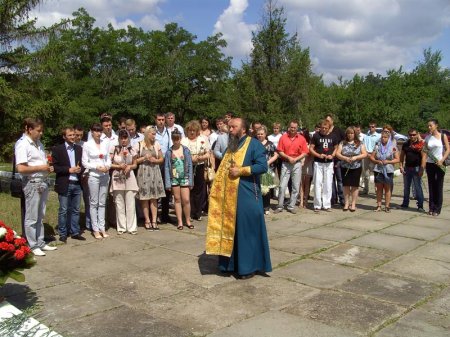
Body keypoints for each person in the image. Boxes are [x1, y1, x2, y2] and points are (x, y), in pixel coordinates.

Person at [206, 117, 272, 279]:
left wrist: (242, 170)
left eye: (233, 127)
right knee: (232, 229)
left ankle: (248, 267)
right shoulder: (232, 145)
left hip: (247, 194)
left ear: (243, 129)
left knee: (246, 231)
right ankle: (230, 265)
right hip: (229, 197)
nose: (230, 130)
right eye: (229, 127)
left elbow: (262, 166)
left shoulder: (254, 144)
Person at [15, 118, 58, 256]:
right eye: (38, 130)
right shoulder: (23, 144)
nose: (41, 133)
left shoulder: (38, 143)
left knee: (40, 215)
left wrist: (47, 168)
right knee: (32, 216)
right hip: (32, 183)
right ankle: (31, 244)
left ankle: (40, 242)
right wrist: (42, 167)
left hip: (43, 181)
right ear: (29, 129)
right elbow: (21, 168)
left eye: (41, 130)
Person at [52, 127, 85, 243]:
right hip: (65, 182)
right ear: (64, 137)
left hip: (77, 183)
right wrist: (69, 170)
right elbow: (55, 167)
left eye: (74, 135)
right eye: (70, 135)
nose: (73, 137)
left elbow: (83, 164)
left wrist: (80, 169)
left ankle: (75, 231)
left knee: (76, 209)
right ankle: (63, 233)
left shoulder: (79, 149)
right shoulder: (57, 150)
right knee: (64, 210)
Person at [82, 123, 112, 239]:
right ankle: (95, 229)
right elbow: (85, 162)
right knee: (93, 202)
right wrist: (96, 167)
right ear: (91, 132)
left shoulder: (105, 143)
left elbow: (108, 158)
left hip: (104, 174)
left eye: (100, 131)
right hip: (94, 175)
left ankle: (102, 227)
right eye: (96, 131)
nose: (98, 133)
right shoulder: (87, 145)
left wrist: (107, 167)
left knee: (102, 202)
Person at [274, 120, 309, 214]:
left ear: (297, 128)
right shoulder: (283, 137)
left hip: (297, 163)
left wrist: (297, 158)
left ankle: (291, 206)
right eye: (291, 127)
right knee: (282, 186)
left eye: (294, 127)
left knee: (295, 186)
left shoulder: (301, 138)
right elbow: (280, 151)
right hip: (286, 163)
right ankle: (280, 206)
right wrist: (288, 157)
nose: (293, 129)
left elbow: (305, 152)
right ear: (289, 127)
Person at [135, 126, 166, 230]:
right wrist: (144, 158)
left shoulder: (156, 144)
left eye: (155, 134)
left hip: (154, 172)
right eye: (152, 134)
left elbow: (161, 158)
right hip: (143, 173)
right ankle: (147, 220)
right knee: (145, 198)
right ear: (147, 134)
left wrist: (154, 160)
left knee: (154, 198)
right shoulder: (139, 144)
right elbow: (134, 161)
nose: (154, 136)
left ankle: (154, 220)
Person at [110, 130, 139, 234]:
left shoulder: (132, 149)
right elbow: (109, 163)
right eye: (121, 138)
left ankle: (131, 227)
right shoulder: (114, 149)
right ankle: (121, 227)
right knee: (119, 203)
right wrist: (119, 166)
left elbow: (135, 164)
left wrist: (130, 167)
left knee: (130, 203)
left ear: (128, 139)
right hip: (117, 177)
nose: (123, 140)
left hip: (129, 177)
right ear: (119, 139)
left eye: (125, 138)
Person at [164, 129, 194, 230]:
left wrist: (191, 181)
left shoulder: (185, 150)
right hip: (174, 178)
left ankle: (188, 220)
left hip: (184, 177)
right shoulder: (169, 152)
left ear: (180, 139)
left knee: (186, 199)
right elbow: (167, 167)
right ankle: (180, 222)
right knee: (177, 199)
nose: (176, 141)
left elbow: (190, 165)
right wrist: (168, 183)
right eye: (174, 139)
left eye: (177, 139)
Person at [181, 120, 211, 221]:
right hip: (186, 167)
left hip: (199, 166)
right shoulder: (183, 141)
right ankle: (189, 212)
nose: (192, 132)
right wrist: (189, 158)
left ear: (197, 131)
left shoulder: (203, 139)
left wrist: (200, 158)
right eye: (190, 130)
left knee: (199, 189)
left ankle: (198, 212)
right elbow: (179, 154)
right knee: (189, 189)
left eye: (194, 130)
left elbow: (208, 153)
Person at [422, 119, 449, 216]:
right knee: (431, 185)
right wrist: (423, 165)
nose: (429, 127)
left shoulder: (442, 136)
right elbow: (424, 150)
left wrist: (442, 160)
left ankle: (437, 208)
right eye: (428, 126)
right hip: (430, 164)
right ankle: (431, 207)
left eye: (431, 125)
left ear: (436, 126)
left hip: (440, 164)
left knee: (438, 185)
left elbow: (448, 149)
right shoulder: (428, 138)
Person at [335, 127, 367, 212]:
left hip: (356, 167)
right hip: (345, 166)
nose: (350, 135)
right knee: (345, 185)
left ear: (355, 134)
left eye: (352, 133)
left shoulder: (359, 143)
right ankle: (346, 203)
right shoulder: (342, 142)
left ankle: (353, 204)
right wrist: (344, 158)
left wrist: (356, 157)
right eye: (348, 133)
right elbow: (337, 153)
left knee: (354, 186)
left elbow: (364, 154)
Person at [309, 120, 338, 213]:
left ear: (329, 128)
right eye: (323, 128)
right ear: (320, 127)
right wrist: (318, 155)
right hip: (318, 162)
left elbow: (336, 147)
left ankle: (326, 205)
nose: (324, 130)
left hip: (329, 163)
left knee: (328, 184)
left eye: (326, 128)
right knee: (317, 183)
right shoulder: (316, 136)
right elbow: (311, 149)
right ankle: (317, 205)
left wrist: (332, 155)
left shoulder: (333, 136)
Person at [370, 131, 399, 212]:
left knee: (387, 188)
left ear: (388, 138)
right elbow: (372, 157)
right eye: (382, 137)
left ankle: (387, 206)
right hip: (378, 169)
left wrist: (388, 161)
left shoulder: (393, 147)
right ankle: (379, 205)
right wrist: (376, 161)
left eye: (385, 137)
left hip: (388, 170)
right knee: (378, 188)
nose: (383, 139)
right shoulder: (377, 146)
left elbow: (397, 159)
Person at [400, 128, 425, 212]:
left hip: (417, 168)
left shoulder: (420, 144)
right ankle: (405, 203)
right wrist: (401, 166)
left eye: (414, 134)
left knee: (418, 187)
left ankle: (420, 205)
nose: (412, 136)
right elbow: (402, 156)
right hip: (407, 168)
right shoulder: (405, 144)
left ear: (417, 134)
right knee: (406, 187)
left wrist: (422, 168)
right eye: (410, 135)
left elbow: (424, 157)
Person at [255, 126, 279, 214]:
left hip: (267, 169)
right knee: (257, 188)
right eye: (258, 134)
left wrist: (268, 162)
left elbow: (276, 155)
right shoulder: (254, 143)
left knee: (266, 189)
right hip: (256, 169)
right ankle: (258, 207)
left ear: (265, 134)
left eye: (262, 134)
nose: (260, 135)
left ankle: (266, 207)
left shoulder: (270, 144)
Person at [154, 112, 173, 223]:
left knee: (166, 189)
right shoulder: (153, 131)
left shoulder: (168, 132)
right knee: (156, 189)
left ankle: (165, 215)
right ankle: (155, 214)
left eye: (162, 119)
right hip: (156, 162)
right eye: (159, 119)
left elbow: (170, 147)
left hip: (166, 163)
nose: (161, 121)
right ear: (156, 120)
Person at [73, 124, 91, 232]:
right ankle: (74, 225)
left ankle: (89, 223)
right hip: (73, 177)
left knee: (88, 201)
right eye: (76, 135)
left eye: (80, 135)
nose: (78, 137)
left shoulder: (85, 145)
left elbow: (89, 161)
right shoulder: (69, 146)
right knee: (75, 203)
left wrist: (86, 174)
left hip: (84, 176)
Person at [325, 114, 345, 206]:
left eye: (328, 120)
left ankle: (342, 198)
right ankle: (333, 198)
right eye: (326, 120)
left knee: (339, 179)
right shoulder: (325, 131)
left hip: (337, 159)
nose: (327, 122)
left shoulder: (338, 130)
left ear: (332, 121)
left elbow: (344, 141)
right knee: (330, 180)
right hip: (328, 159)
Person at [362, 122, 381, 194]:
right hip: (366, 155)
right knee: (366, 174)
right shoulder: (366, 136)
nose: (371, 128)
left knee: (376, 173)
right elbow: (363, 145)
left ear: (375, 127)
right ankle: (366, 189)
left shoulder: (379, 136)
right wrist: (366, 153)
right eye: (370, 127)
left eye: (373, 127)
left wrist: (373, 154)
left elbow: (378, 147)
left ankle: (377, 190)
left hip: (374, 156)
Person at [299, 128, 313, 209]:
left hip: (307, 165)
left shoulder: (309, 144)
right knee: (301, 184)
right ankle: (301, 201)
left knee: (307, 184)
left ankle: (305, 201)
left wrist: (305, 163)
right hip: (300, 164)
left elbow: (311, 156)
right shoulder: (300, 143)